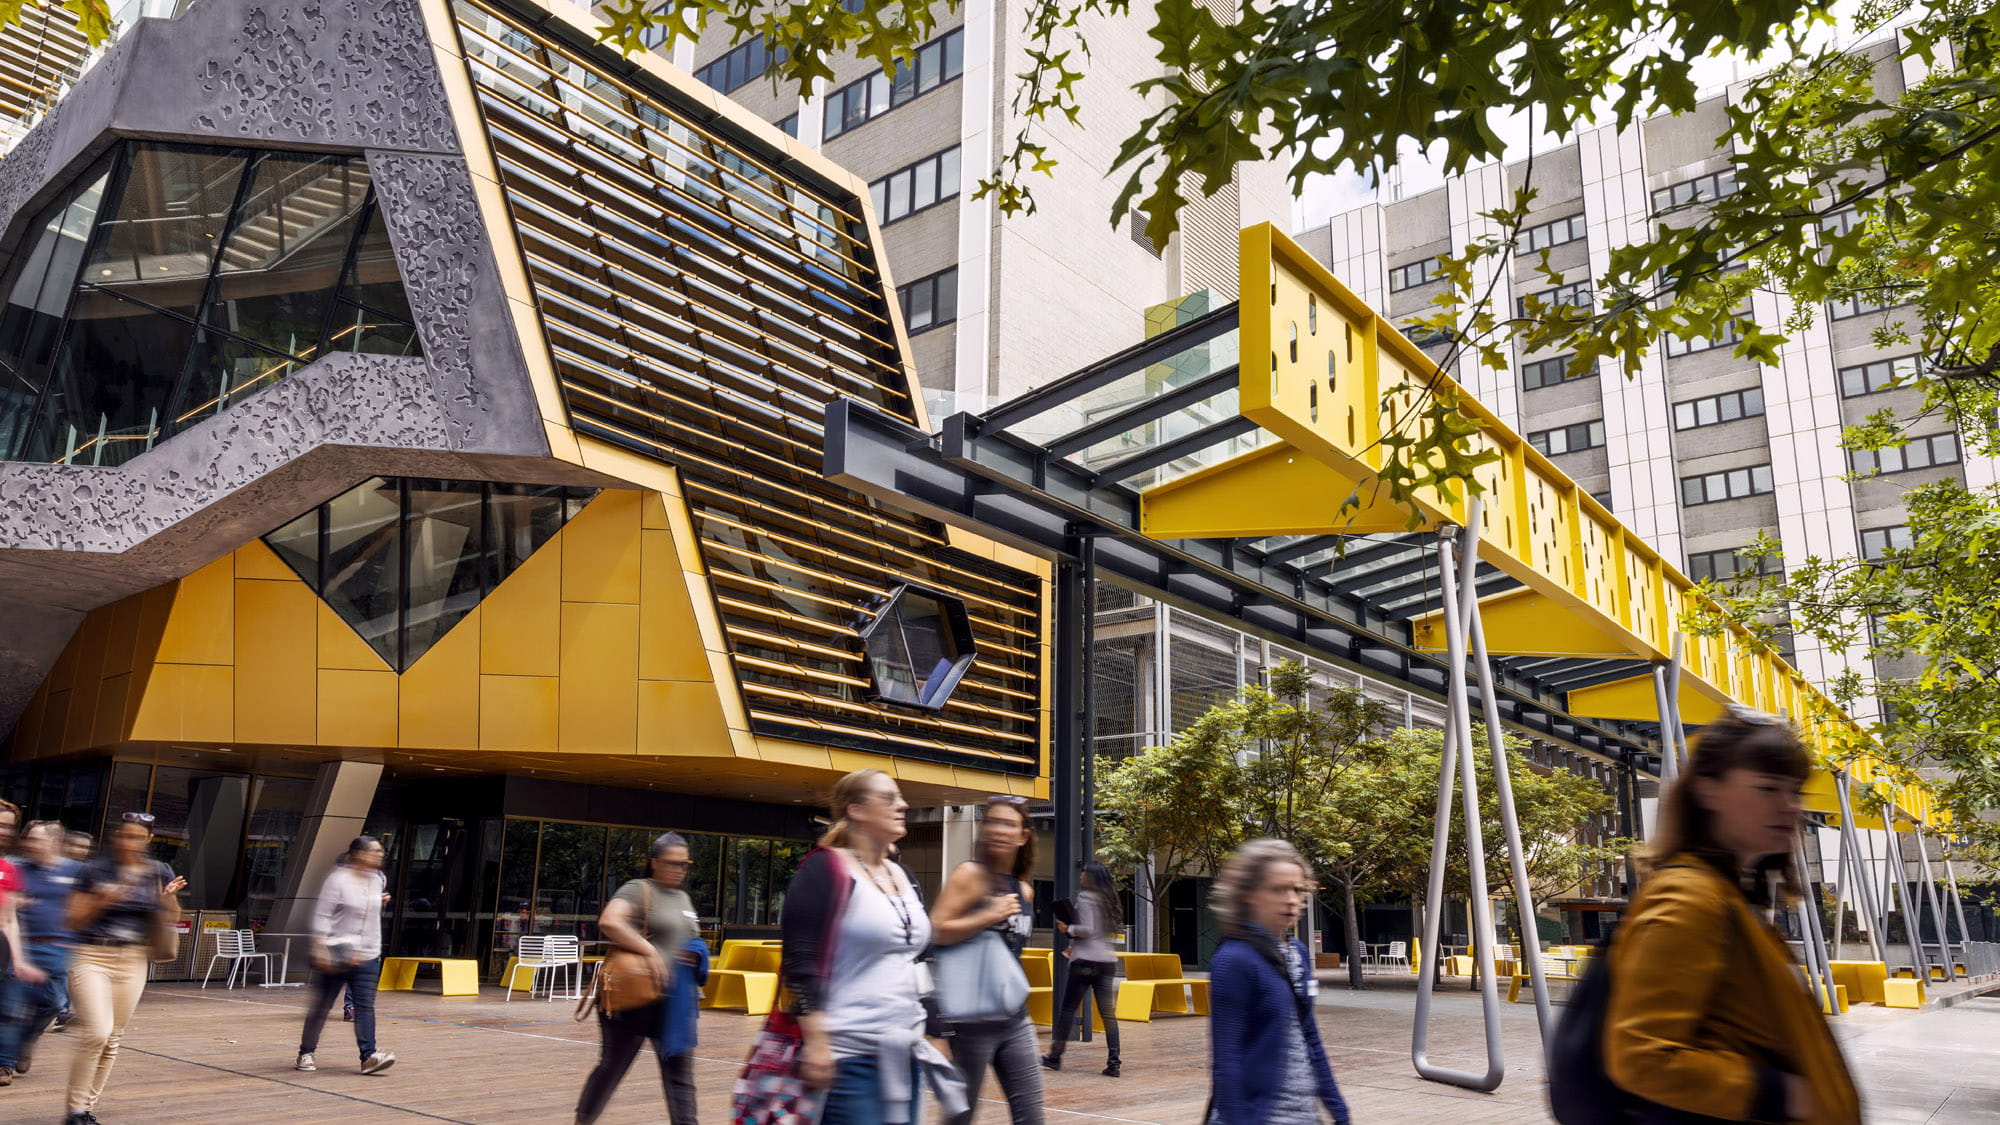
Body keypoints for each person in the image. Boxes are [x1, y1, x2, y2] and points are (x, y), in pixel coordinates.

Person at [1603, 707, 1861, 1123]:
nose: (1790, 806)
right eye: (1768, 788)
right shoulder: (1688, 897)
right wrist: (1782, 1095)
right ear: (1709, 791)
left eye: (1795, 791)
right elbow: (1642, 1054)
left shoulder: (1731, 895)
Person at [780, 768, 963, 1125]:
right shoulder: (824, 869)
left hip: (905, 1052)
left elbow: (920, 960)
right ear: (857, 810)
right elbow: (800, 961)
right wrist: (816, 1042)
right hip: (848, 1057)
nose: (903, 805)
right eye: (889, 798)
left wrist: (936, 1029)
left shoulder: (904, 876)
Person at [1206, 839, 1351, 1125]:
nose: (1291, 899)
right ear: (1249, 894)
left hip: (1304, 1116)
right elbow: (1226, 1060)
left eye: (1297, 890)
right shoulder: (1234, 958)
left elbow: (1309, 1037)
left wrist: (1339, 1110)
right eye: (1278, 889)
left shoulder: (1297, 952)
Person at [575, 831, 709, 1125]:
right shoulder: (639, 889)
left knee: (680, 1078)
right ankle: (583, 1120)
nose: (679, 869)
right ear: (655, 862)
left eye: (684, 864)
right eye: (672, 863)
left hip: (674, 1002)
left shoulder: (683, 897)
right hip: (635, 998)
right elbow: (610, 921)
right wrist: (650, 952)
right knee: (612, 1068)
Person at [63, 811, 185, 1125]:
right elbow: (72, 920)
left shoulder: (159, 871)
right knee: (98, 1032)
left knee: (113, 1037)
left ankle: (84, 1110)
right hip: (92, 956)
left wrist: (168, 899)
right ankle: (74, 1110)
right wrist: (103, 900)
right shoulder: (94, 870)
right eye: (124, 835)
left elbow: (172, 916)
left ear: (149, 840)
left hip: (133, 959)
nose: (129, 842)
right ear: (115, 836)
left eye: (137, 837)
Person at [930, 795, 1044, 1124]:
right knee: (960, 1116)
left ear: (1023, 836)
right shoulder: (970, 875)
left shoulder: (1023, 890)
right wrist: (988, 915)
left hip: (1014, 1018)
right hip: (970, 1021)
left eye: (1008, 824)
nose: (998, 830)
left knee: (1031, 1116)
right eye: (992, 822)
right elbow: (935, 930)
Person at [295, 836, 395, 1076]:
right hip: (335, 953)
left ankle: (368, 1057)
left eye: (381, 851)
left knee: (365, 1007)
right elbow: (322, 915)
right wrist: (320, 948)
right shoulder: (338, 879)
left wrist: (375, 950)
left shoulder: (376, 880)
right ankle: (306, 1052)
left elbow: (368, 918)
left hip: (367, 955)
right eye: (374, 851)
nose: (380, 855)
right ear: (358, 854)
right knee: (322, 1006)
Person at [0, 820, 79, 1084]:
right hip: (20, 944)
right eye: (28, 839)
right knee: (10, 1008)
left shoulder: (75, 871)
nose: (29, 844)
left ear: (54, 842)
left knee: (54, 1003)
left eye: (36, 839)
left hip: (57, 948)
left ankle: (27, 1040)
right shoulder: (16, 867)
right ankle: (4, 1064)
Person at [1042, 860, 1122, 1078]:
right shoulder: (1109, 900)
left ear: (1092, 876)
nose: (1081, 875)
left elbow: (1087, 930)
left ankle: (1055, 1057)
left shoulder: (1086, 898)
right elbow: (1098, 933)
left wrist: (1067, 928)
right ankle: (1114, 1062)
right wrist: (1073, 945)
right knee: (1108, 1015)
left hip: (1085, 963)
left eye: (1085, 872)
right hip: (1106, 961)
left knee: (1068, 1009)